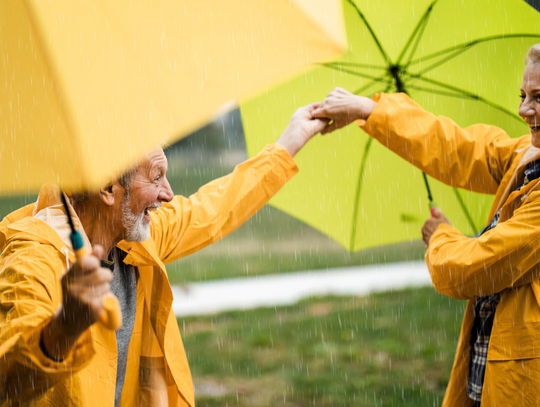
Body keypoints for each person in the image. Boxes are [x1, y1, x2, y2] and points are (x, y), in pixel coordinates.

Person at [0, 103, 328, 407]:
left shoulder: (135, 239)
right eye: (156, 177)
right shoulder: (31, 261)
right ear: (108, 189)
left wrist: (288, 144)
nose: (169, 194)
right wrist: (63, 329)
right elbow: (6, 384)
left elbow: (214, 208)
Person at [313, 44, 540, 406]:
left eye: (538, 97)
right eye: (523, 95)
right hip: (497, 377)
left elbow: (474, 268)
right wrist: (371, 110)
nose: (524, 110)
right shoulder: (528, 156)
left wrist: (441, 237)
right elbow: (457, 150)